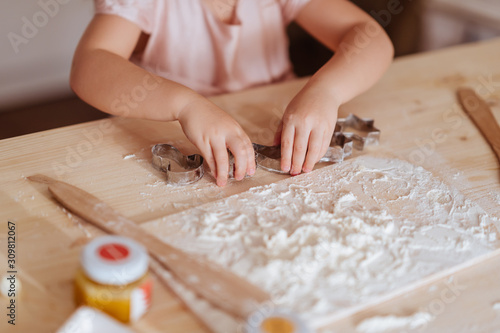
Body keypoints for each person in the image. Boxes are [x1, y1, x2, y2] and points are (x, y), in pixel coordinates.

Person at [70, 0, 394, 186]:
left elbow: (370, 37)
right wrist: (184, 104)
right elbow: (90, 64)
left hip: (276, 129)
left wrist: (327, 91)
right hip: (179, 137)